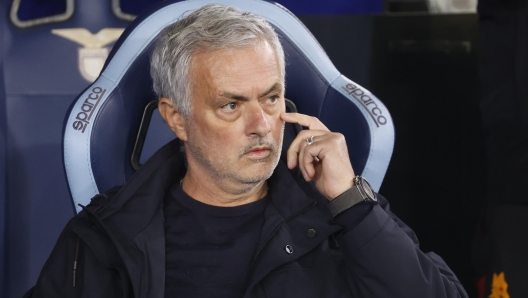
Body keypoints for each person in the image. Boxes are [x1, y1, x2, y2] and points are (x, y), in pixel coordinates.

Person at [25, 4, 467, 298]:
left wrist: (352, 202)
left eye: (271, 98)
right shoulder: (105, 235)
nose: (262, 126)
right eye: (231, 105)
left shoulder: (338, 216)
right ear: (176, 117)